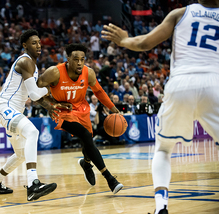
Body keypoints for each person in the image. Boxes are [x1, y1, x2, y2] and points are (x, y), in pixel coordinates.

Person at [102, 1, 219, 213]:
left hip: (182, 82)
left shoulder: (181, 13)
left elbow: (144, 44)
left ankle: (161, 208)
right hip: (215, 83)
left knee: (163, 149)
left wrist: (124, 40)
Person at [0, 29, 60, 201]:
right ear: (25, 45)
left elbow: (34, 96)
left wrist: (51, 106)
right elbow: (34, 95)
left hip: (13, 111)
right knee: (32, 132)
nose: (39, 45)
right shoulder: (25, 61)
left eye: (39, 42)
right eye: (34, 43)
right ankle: (33, 183)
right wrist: (51, 88)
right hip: (5, 106)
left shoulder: (34, 67)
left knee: (21, 155)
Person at [37, 43, 124, 194]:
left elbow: (99, 91)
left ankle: (86, 163)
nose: (79, 63)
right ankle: (109, 178)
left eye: (82, 59)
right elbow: (35, 88)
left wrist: (112, 108)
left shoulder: (88, 73)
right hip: (62, 111)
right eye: (75, 59)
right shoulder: (54, 72)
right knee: (84, 134)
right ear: (68, 59)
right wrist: (52, 103)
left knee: (88, 140)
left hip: (81, 108)